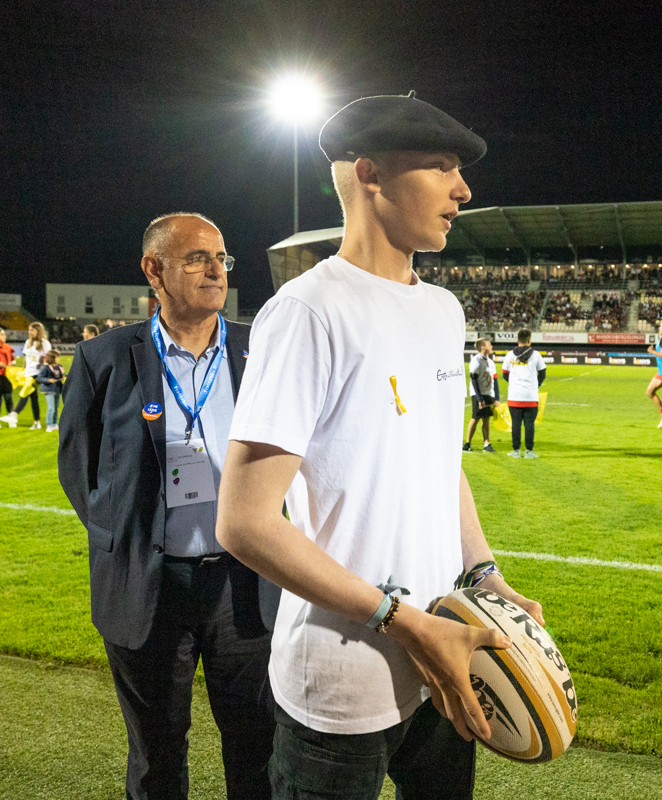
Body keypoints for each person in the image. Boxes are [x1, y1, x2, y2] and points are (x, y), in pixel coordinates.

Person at [215, 93, 543, 800]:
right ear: (370, 174)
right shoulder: (307, 312)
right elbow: (244, 522)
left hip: (445, 661)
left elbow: (439, 462)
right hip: (344, 684)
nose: (465, 190)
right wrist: (400, 620)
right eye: (441, 167)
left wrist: (482, 575)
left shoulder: (442, 309)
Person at [58, 212, 277, 800]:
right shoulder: (103, 359)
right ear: (153, 270)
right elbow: (79, 473)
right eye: (197, 258)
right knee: (157, 753)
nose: (216, 270)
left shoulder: (261, 352)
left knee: (258, 748)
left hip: (244, 587)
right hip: (149, 587)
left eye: (222, 258)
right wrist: (132, 538)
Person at [501, 329, 546, 458]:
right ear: (529, 340)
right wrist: (535, 386)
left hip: (514, 396)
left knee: (515, 424)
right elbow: (542, 373)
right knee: (529, 424)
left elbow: (505, 374)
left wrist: (514, 383)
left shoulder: (510, 355)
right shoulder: (536, 354)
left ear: (517, 340)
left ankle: (516, 451)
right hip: (530, 396)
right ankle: (529, 451)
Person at [464, 337, 498, 453]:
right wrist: (479, 398)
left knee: (486, 419)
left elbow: (494, 380)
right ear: (483, 347)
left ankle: (486, 443)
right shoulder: (476, 360)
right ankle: (467, 443)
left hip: (488, 393)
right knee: (475, 418)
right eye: (489, 345)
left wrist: (495, 397)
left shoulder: (490, 361)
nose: (491, 346)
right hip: (478, 394)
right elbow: (473, 379)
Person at [22, 322, 53, 430]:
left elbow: (47, 359)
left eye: (32, 330)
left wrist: (42, 372)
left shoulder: (45, 343)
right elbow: (26, 357)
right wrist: (24, 370)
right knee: (33, 398)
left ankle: (15, 413)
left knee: (27, 392)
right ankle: (37, 421)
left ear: (38, 331)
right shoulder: (28, 342)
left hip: (38, 373)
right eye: (29, 330)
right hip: (29, 373)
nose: (29, 332)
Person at [36, 350, 65, 432]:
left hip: (57, 389)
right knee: (51, 407)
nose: (58, 359)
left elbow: (61, 376)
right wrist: (48, 380)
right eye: (57, 357)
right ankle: (49, 424)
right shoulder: (45, 367)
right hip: (49, 389)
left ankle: (54, 424)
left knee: (56, 407)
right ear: (52, 358)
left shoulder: (60, 366)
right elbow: (39, 378)